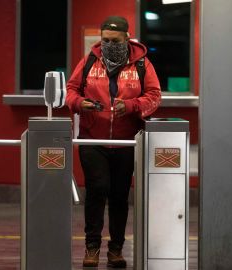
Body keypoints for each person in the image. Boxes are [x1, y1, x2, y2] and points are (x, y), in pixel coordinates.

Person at [65, 16, 162, 268]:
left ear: (127, 38)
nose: (109, 44)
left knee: (119, 195)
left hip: (127, 143)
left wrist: (130, 106)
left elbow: (154, 96)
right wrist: (79, 103)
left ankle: (116, 248)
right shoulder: (89, 61)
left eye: (115, 41)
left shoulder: (141, 63)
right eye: (105, 40)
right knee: (97, 190)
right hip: (92, 139)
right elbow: (71, 90)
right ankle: (92, 247)